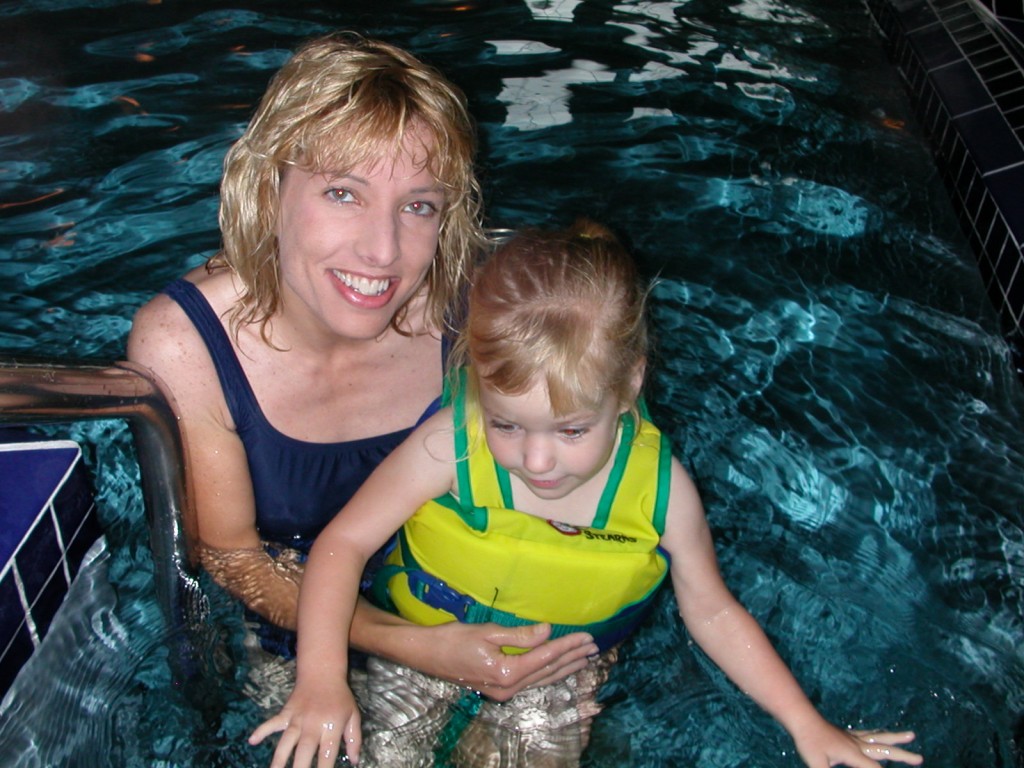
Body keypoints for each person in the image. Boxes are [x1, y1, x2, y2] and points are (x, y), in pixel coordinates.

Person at [249, 219, 924, 768]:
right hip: (421, 647)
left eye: (572, 429)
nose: (536, 459)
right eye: (508, 423)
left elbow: (713, 612)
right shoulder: (450, 446)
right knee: (381, 753)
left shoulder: (662, 495)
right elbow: (342, 545)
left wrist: (806, 724)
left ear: (629, 387)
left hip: (558, 679)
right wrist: (320, 681)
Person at [126, 31, 596, 700]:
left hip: (470, 594)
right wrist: (414, 647)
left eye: (418, 207)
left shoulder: (477, 310)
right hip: (292, 632)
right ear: (270, 185)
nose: (382, 251)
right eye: (343, 193)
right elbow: (233, 557)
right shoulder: (186, 342)